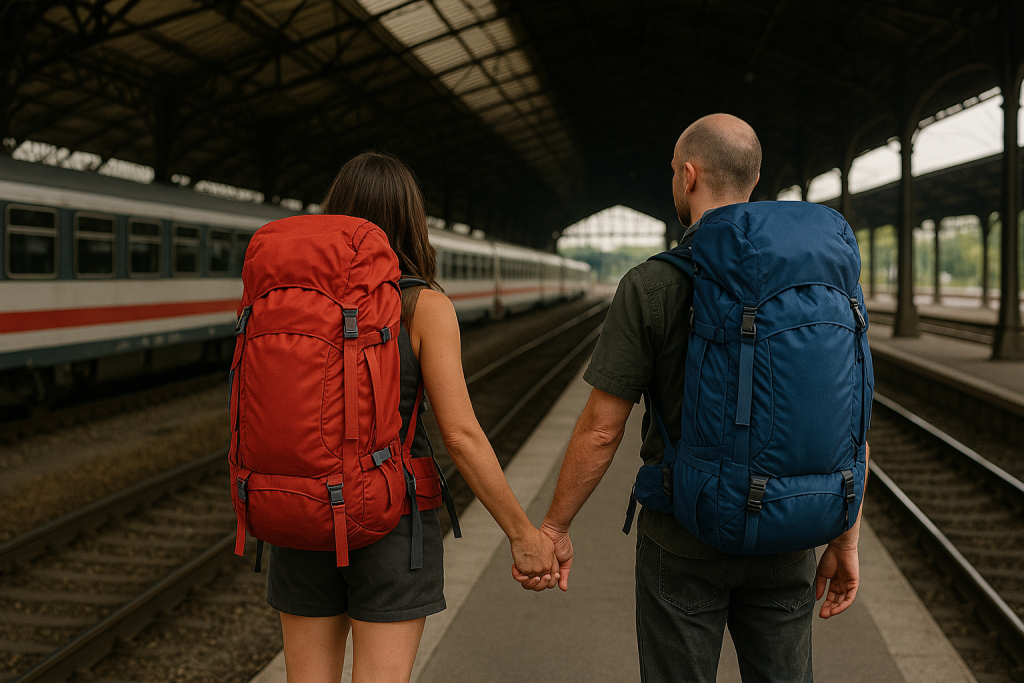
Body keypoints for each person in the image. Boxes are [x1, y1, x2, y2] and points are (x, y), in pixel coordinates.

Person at [514, 114, 867, 682]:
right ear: (752, 180)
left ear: (688, 175)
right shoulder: (819, 280)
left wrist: (553, 529)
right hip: (788, 535)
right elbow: (849, 418)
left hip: (683, 536)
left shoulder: (652, 283)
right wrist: (845, 537)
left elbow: (602, 430)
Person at [266, 151, 559, 683]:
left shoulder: (289, 304)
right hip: (389, 522)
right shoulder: (421, 306)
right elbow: (462, 435)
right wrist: (522, 533)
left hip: (303, 516)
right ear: (411, 220)